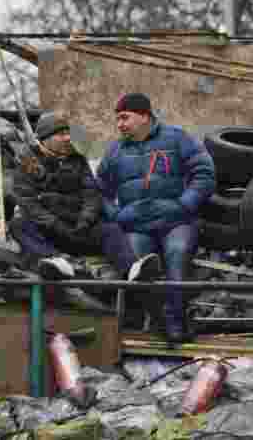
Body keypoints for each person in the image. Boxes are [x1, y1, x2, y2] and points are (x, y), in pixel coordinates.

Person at [93, 93, 216, 342]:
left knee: (177, 253)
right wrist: (116, 215)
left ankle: (175, 321)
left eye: (125, 117)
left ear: (144, 116)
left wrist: (184, 205)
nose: (120, 124)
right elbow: (98, 191)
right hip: (136, 224)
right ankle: (156, 320)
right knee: (136, 266)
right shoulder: (115, 150)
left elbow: (204, 173)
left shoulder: (177, 138)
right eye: (117, 119)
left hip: (176, 220)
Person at [9, 111, 161, 284]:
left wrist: (86, 219)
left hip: (79, 228)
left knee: (110, 230)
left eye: (68, 133)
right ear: (45, 138)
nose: (67, 138)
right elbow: (28, 203)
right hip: (50, 231)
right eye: (61, 134)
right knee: (19, 225)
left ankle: (132, 269)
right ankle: (53, 262)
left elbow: (92, 193)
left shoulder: (77, 160)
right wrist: (55, 224)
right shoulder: (27, 162)